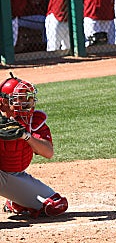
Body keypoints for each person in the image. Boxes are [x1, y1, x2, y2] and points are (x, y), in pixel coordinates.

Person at [0, 73, 68, 218]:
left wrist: (26, 136)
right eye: (18, 98)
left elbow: (48, 152)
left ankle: (17, 201)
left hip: (13, 176)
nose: (25, 102)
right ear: (3, 102)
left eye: (27, 98)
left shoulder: (33, 121)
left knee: (55, 205)